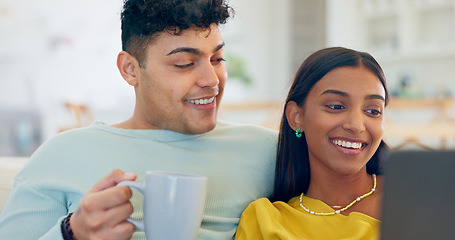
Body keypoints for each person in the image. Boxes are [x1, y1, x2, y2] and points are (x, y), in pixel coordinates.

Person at [0, 1, 278, 239]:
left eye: (217, 58)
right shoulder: (60, 155)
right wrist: (72, 232)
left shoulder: (269, 150)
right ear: (130, 69)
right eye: (184, 64)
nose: (212, 80)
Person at [234, 47, 389, 240]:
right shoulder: (265, 222)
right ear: (296, 117)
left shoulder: (417, 197)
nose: (356, 126)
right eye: (336, 106)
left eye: (373, 111)